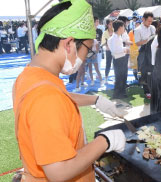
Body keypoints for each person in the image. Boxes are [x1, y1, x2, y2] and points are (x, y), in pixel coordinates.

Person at [13, 1, 126, 181]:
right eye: (87, 51)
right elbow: (58, 171)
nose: (85, 57)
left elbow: (59, 98)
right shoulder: (46, 99)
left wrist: (95, 100)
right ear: (69, 44)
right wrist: (105, 140)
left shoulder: (31, 75)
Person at [134, 11, 156, 99]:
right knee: (144, 71)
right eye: (148, 21)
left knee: (153, 70)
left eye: (151, 21)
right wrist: (148, 40)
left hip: (153, 51)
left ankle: (153, 89)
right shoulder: (137, 29)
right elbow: (137, 43)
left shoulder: (153, 27)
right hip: (143, 52)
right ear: (143, 19)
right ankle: (147, 91)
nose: (150, 23)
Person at [108, 20, 130, 99]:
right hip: (118, 59)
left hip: (121, 58)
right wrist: (125, 49)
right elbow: (114, 50)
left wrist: (124, 49)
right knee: (119, 77)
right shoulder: (114, 38)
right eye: (123, 27)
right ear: (120, 27)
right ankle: (118, 94)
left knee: (123, 76)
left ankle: (122, 93)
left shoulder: (118, 37)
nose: (124, 28)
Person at [101, 19, 113, 84]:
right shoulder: (105, 33)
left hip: (115, 50)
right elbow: (103, 42)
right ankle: (106, 77)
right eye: (110, 24)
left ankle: (117, 78)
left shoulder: (115, 31)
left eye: (112, 24)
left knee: (116, 64)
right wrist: (107, 46)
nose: (111, 25)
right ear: (107, 25)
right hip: (108, 50)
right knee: (108, 64)